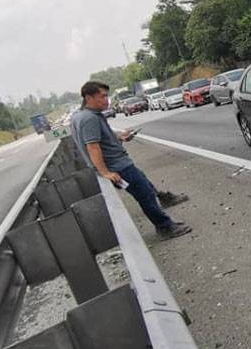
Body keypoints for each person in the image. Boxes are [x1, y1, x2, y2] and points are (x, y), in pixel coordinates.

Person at [71, 81, 190, 239]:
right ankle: (165, 227)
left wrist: (120, 136)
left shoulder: (81, 116)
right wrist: (106, 172)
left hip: (119, 164)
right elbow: (93, 147)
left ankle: (164, 201)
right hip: (118, 167)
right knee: (145, 195)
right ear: (88, 97)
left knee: (145, 184)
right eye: (102, 96)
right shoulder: (89, 119)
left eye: (107, 96)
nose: (107, 100)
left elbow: (100, 138)